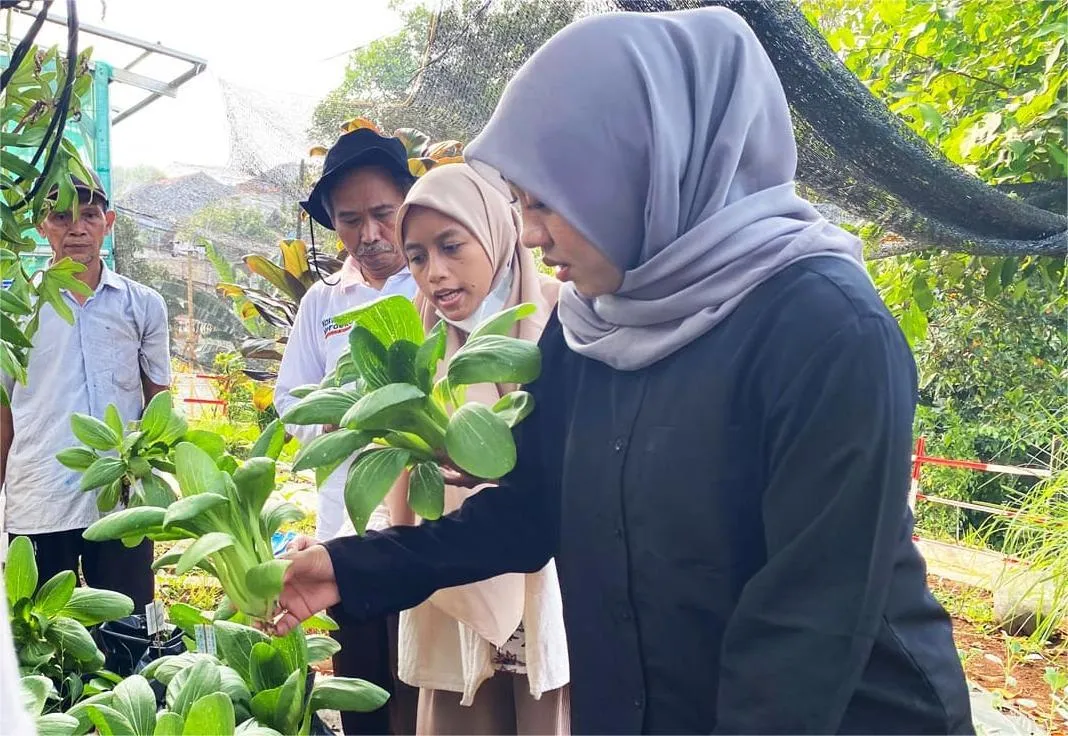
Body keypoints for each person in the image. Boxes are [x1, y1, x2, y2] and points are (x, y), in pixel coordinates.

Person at [271, 8, 973, 734]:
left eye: (546, 203)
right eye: (523, 204)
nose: (532, 234)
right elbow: (529, 510)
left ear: (636, 166)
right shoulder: (587, 331)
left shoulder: (823, 327)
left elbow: (806, 623)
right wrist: (349, 568)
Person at [393, 163, 569, 734]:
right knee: (461, 715)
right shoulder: (418, 337)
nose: (434, 274)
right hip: (453, 576)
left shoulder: (561, 315)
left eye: (451, 246)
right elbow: (398, 462)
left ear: (494, 231)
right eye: (417, 256)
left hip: (549, 581)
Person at [274, 126, 419, 735]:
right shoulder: (323, 303)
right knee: (365, 691)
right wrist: (332, 421)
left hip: (427, 526)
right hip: (348, 530)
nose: (369, 234)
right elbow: (290, 400)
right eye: (351, 219)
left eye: (383, 214)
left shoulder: (439, 280)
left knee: (427, 689)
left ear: (407, 204)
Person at [0, 171, 169, 611]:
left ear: (108, 221)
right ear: (42, 226)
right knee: (40, 634)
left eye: (89, 215)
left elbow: (159, 400)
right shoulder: (14, 311)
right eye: (61, 216)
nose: (76, 228)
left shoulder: (143, 304)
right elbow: (2, 411)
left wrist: (156, 482)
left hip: (120, 502)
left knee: (126, 628)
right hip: (40, 497)